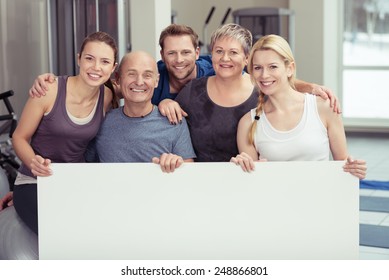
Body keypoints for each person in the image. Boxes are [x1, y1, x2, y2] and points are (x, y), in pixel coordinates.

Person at [28, 24, 339, 125]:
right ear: (162, 55)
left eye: (186, 52)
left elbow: (263, 78)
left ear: (197, 52)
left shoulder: (211, 68)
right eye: (172, 53)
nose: (179, 60)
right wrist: (55, 82)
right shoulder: (153, 78)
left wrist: (309, 86)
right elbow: (105, 81)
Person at [162, 23, 339, 162]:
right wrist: (165, 103)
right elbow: (171, 132)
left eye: (233, 52)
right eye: (219, 51)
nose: (225, 58)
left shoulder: (263, 89)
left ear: (247, 58)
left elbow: (283, 81)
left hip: (249, 180)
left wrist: (311, 87)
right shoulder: (193, 91)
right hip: (203, 181)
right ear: (212, 55)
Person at [0, 31, 119, 234]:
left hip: (74, 182)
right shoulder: (49, 90)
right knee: (61, 232)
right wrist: (34, 163)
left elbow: (141, 85)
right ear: (79, 59)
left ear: (113, 67)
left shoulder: (108, 95)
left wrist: (168, 103)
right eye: (89, 58)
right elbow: (19, 137)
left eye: (105, 61)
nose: (96, 67)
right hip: (35, 181)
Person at [230, 34, 366, 179]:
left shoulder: (324, 108)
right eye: (258, 68)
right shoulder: (248, 123)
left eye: (273, 67)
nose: (264, 75)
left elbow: (343, 167)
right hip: (274, 200)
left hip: (320, 199)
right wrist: (243, 169)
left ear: (290, 68)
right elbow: (252, 181)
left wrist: (354, 169)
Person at [85, 50, 196, 172]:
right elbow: (87, 168)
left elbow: (188, 174)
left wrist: (175, 163)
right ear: (118, 78)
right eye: (131, 74)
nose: (139, 82)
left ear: (156, 81)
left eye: (147, 75)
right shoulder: (101, 121)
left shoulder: (174, 121)